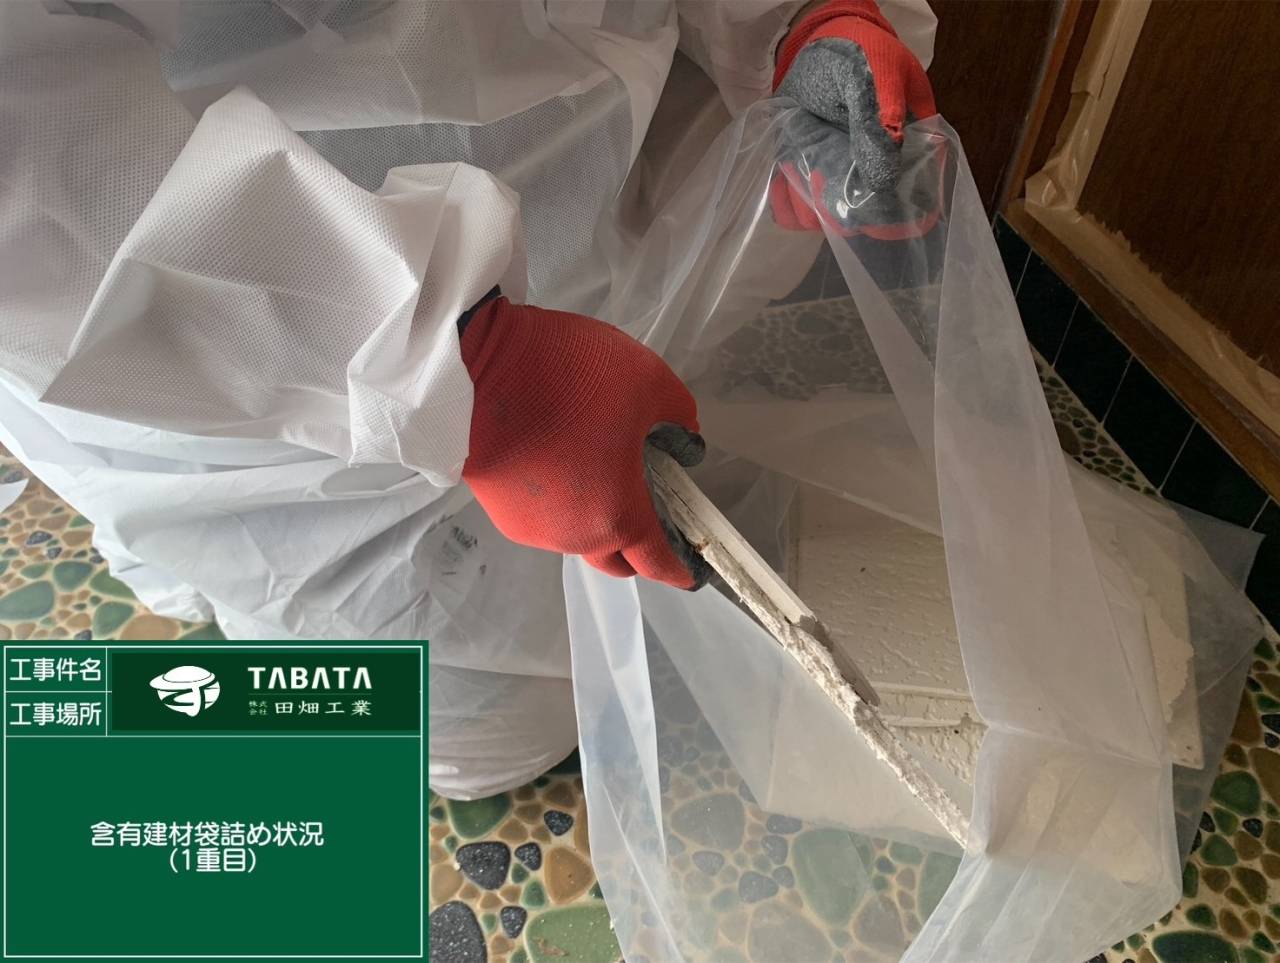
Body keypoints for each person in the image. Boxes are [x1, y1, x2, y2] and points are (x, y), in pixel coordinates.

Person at [0, 0, 936, 797]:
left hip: (573, 165)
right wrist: (455, 367)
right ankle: (220, 581)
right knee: (486, 736)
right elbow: (33, 157)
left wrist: (799, 21)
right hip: (228, 313)